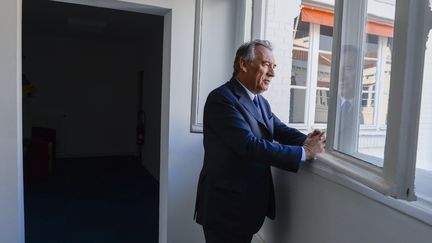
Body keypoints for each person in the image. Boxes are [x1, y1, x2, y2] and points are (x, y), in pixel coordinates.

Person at [194, 39, 326, 243]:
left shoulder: (260, 101)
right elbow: (248, 145)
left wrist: (312, 140)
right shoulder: (221, 99)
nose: (272, 73)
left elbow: (280, 130)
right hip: (224, 208)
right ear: (243, 64)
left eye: (274, 67)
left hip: (245, 206)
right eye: (266, 65)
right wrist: (305, 153)